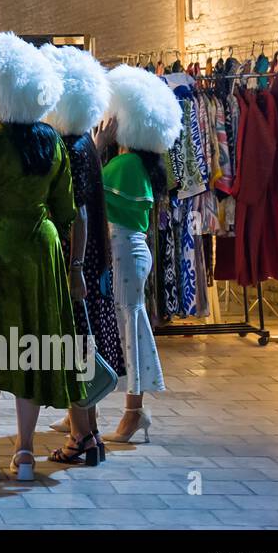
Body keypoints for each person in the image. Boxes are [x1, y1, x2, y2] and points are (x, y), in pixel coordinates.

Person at [0, 32, 83, 481]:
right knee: (31, 346)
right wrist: (76, 267)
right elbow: (67, 210)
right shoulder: (52, 140)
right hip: (40, 246)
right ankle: (24, 452)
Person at [38, 43, 123, 466]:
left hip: (79, 262)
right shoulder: (84, 146)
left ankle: (81, 438)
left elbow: (78, 214)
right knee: (84, 345)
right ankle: (87, 433)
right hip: (94, 262)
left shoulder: (67, 151)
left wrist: (73, 266)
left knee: (74, 346)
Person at [95, 65, 182, 445]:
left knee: (129, 329)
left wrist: (95, 151)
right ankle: (91, 409)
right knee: (118, 327)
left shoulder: (126, 164)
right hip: (126, 252)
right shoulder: (136, 163)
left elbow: (86, 193)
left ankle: (133, 412)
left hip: (124, 253)